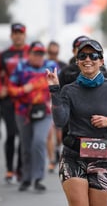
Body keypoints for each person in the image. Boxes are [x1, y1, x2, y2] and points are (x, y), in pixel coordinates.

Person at [46, 39, 107, 206]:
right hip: (73, 157)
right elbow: (60, 121)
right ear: (77, 61)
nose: (88, 60)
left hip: (102, 158)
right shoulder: (68, 90)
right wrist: (54, 90)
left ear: (101, 61)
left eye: (93, 56)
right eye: (83, 56)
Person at [8, 41, 58, 192]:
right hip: (23, 112)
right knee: (26, 145)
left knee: (38, 141)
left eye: (41, 53)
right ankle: (26, 178)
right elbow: (11, 89)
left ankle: (38, 178)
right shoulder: (21, 67)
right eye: (35, 53)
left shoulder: (50, 66)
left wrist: (41, 86)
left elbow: (57, 85)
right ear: (29, 54)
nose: (38, 56)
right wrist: (26, 88)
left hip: (44, 112)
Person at [0, 23, 29, 183]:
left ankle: (20, 170)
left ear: (24, 35)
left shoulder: (32, 52)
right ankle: (9, 170)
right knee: (12, 133)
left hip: (26, 100)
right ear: (11, 36)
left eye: (20, 33)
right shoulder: (4, 54)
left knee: (23, 135)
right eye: (15, 33)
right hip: (8, 100)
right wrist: (0, 89)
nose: (18, 35)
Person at [46, 40, 67, 172]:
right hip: (45, 101)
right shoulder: (43, 65)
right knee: (48, 133)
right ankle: (52, 160)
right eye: (51, 52)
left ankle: (57, 149)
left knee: (59, 135)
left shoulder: (63, 66)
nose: (53, 54)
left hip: (58, 101)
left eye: (56, 52)